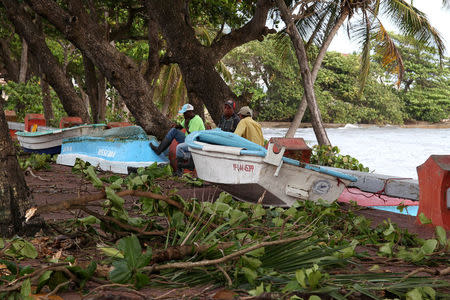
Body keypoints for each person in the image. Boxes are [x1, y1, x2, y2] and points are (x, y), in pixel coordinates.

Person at [150, 103, 205, 173]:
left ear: (190, 112)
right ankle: (159, 150)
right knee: (173, 131)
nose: (183, 115)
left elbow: (191, 136)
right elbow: (181, 126)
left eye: (184, 113)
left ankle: (180, 170)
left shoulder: (197, 120)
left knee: (179, 147)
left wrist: (186, 125)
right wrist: (176, 126)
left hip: (195, 142)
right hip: (188, 139)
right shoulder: (188, 118)